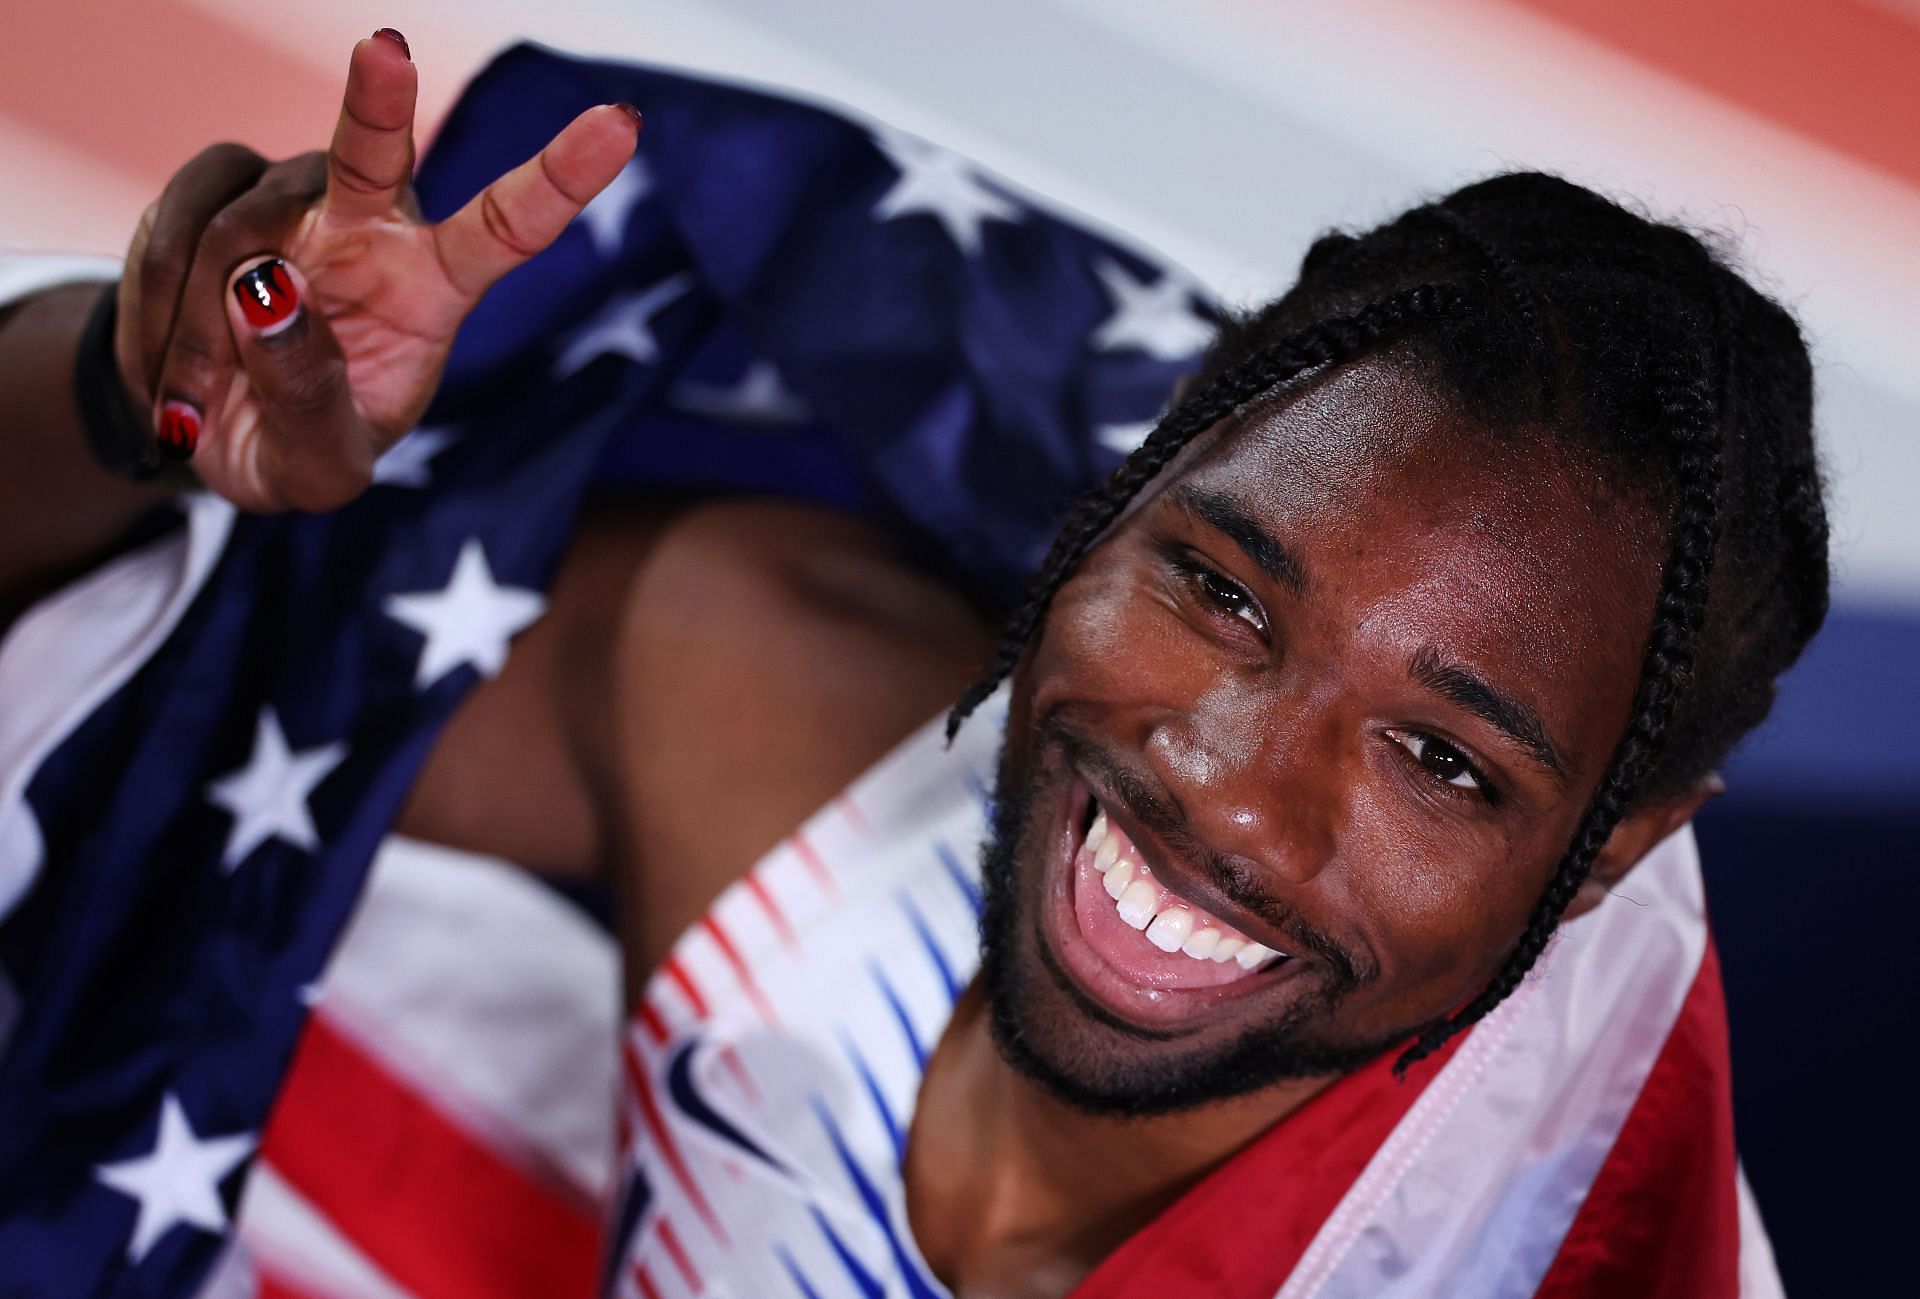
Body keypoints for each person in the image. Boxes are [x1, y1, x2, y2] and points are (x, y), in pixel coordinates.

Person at [0, 31, 1823, 1298]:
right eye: (1225, 594)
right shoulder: (759, 710)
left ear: (1611, 849)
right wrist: (132, 397)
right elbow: (110, 702)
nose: (1231, 801)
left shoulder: (1512, 1254)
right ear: (1122, 487)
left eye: (1444, 762)